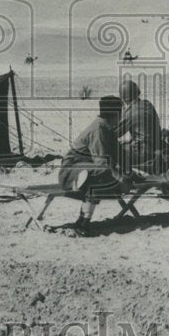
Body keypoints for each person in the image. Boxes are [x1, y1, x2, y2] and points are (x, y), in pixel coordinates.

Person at [59, 95, 125, 236]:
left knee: (106, 175)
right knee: (104, 173)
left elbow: (120, 155)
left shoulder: (106, 127)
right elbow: (102, 162)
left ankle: (84, 221)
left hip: (84, 171)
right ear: (116, 114)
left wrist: (131, 172)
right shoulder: (99, 129)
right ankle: (84, 222)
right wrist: (121, 178)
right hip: (71, 172)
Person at [117, 79, 164, 176]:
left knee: (113, 152)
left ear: (123, 98)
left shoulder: (128, 113)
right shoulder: (148, 104)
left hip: (142, 153)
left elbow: (115, 133)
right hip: (156, 148)